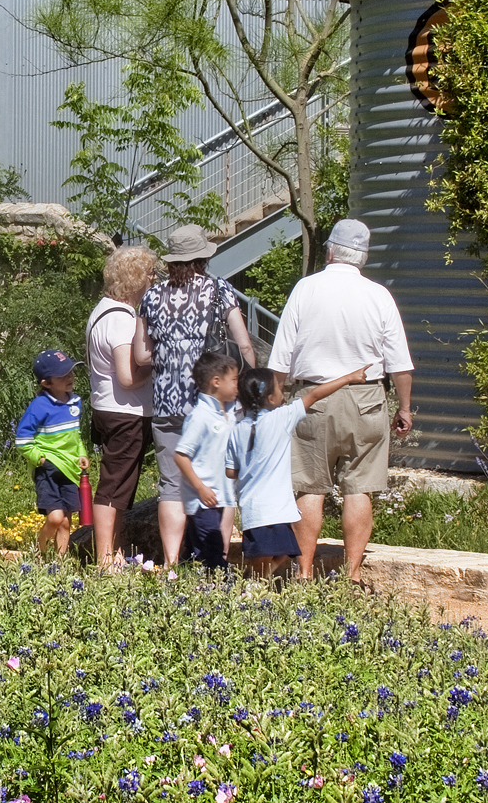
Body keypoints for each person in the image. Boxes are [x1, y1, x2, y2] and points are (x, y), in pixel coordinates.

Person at [267, 219, 414, 574]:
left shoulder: (306, 289)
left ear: (330, 251)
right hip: (366, 399)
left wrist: (274, 397)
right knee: (359, 488)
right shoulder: (379, 295)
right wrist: (405, 408)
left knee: (308, 487)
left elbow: (281, 354)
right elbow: (400, 363)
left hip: (313, 397)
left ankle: (302, 574)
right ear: (362, 257)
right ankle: (350, 575)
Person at [136, 224, 257, 565]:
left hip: (168, 404)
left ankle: (173, 564)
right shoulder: (220, 291)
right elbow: (244, 344)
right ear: (204, 256)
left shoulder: (151, 296)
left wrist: (170, 354)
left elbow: (141, 356)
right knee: (221, 483)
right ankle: (215, 560)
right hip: (213, 404)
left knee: (171, 486)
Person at [228, 367, 360, 579]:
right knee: (280, 555)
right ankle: (253, 588)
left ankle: (256, 585)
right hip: (277, 509)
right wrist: (348, 378)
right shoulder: (282, 417)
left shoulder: (236, 430)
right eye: (279, 388)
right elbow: (315, 395)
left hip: (252, 510)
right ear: (271, 398)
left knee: (264, 558)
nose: (283, 390)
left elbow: (230, 471)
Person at [85, 244, 161, 567]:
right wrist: (160, 362)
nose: (154, 280)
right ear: (135, 278)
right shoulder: (122, 319)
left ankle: (113, 550)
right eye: (150, 274)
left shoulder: (101, 311)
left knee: (121, 486)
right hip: (124, 413)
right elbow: (128, 376)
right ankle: (104, 556)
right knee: (114, 487)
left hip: (107, 408)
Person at [172, 354, 244, 569]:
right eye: (234, 380)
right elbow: (181, 456)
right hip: (204, 499)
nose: (237, 385)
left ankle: (181, 583)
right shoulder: (200, 416)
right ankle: (222, 591)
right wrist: (200, 487)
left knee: (197, 550)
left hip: (219, 496)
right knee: (213, 550)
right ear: (216, 381)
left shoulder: (229, 414)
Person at [14, 350, 86, 557]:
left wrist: (81, 453)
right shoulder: (39, 406)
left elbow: (76, 435)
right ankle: (39, 554)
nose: (70, 378)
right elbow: (22, 440)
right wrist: (40, 459)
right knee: (54, 518)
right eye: (63, 376)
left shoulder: (75, 402)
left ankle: (59, 565)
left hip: (70, 469)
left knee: (65, 521)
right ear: (46, 383)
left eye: (71, 372)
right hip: (47, 470)